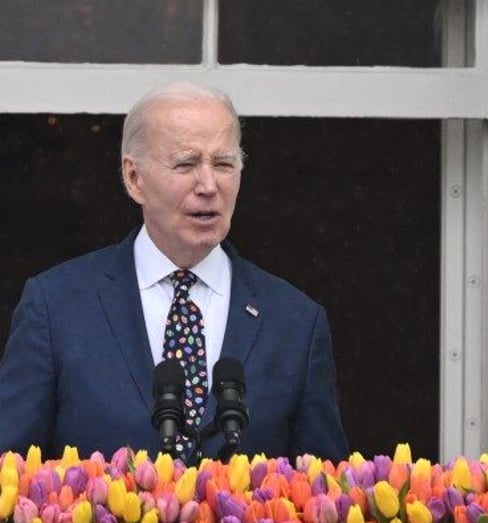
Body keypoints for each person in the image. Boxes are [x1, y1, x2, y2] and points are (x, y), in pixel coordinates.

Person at [0, 82, 349, 463]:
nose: (209, 185)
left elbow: (325, 496)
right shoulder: (56, 307)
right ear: (134, 179)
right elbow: (8, 477)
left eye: (223, 164)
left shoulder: (296, 322)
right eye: (185, 164)